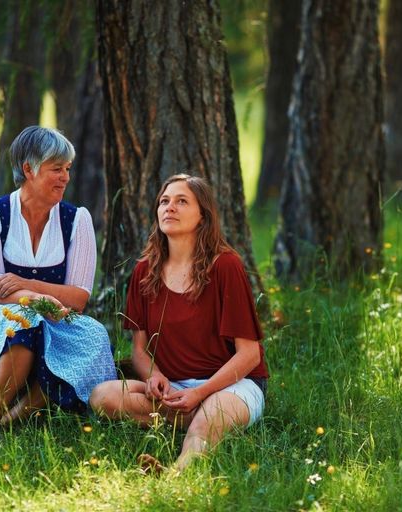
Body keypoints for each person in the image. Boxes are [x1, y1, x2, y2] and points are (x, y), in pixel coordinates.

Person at [0, 126, 116, 449]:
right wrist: (38, 300)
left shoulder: (76, 220)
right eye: (56, 169)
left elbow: (79, 298)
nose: (65, 177)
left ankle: (17, 415)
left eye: (67, 169)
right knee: (22, 322)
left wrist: (27, 285)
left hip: (55, 316)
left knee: (92, 334)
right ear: (28, 169)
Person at [89, 174, 268, 472]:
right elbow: (139, 352)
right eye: (164, 201)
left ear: (203, 217)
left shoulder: (226, 266)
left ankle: (177, 471)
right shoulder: (144, 272)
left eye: (181, 201)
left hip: (232, 385)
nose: (169, 207)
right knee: (102, 396)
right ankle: (199, 417)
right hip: (175, 390)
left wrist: (201, 392)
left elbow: (250, 355)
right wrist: (155, 376)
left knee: (212, 413)